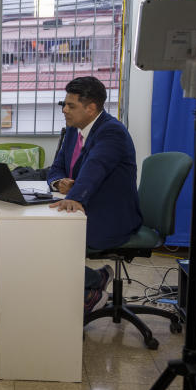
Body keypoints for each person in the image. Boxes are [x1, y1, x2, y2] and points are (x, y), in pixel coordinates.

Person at [46, 76, 142, 313]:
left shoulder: (111, 132)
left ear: (91, 108)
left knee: (50, 237)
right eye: (64, 104)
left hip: (111, 216)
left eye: (71, 106)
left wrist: (76, 196)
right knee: (43, 231)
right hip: (90, 204)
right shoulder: (73, 130)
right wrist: (59, 183)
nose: (64, 110)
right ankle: (93, 279)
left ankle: (89, 294)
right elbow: (56, 167)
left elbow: (95, 168)